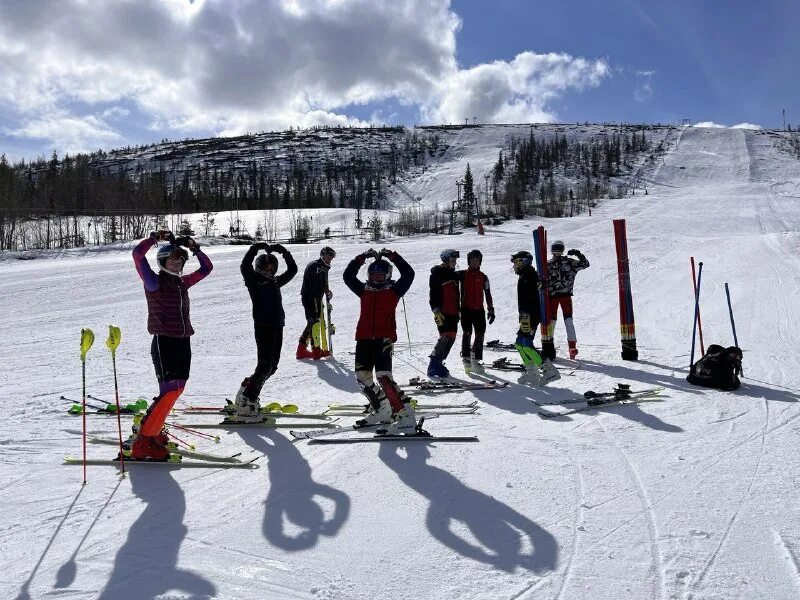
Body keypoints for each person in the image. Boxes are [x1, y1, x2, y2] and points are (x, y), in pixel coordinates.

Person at [127, 230, 213, 460]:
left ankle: (152, 432)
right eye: (172, 259)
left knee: (177, 390)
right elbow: (137, 255)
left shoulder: (182, 283)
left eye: (180, 260)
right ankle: (144, 442)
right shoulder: (154, 282)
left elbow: (207, 268)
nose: (176, 263)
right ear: (162, 260)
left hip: (183, 341)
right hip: (164, 341)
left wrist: (195, 249)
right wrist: (155, 238)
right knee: (169, 392)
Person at [342, 247, 417, 434]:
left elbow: (409, 273)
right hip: (363, 338)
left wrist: (393, 256)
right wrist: (362, 257)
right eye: (373, 276)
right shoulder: (363, 290)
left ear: (388, 276)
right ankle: (383, 410)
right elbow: (347, 276)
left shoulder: (394, 290)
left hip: (384, 338)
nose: (376, 279)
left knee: (383, 377)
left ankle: (406, 415)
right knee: (362, 379)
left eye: (381, 276)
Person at [234, 242, 298, 418]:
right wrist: (254, 249)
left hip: (278, 325)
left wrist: (284, 252)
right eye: (265, 267)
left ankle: (249, 390)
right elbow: (244, 266)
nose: (269, 271)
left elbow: (293, 270)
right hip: (263, 326)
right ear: (258, 267)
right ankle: (247, 400)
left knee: (273, 367)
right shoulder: (253, 281)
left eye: (272, 268)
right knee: (264, 365)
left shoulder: (275, 282)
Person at [511, 250, 560, 386]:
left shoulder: (531, 276)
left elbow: (537, 292)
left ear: (524, 262)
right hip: (526, 315)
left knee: (526, 345)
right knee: (519, 343)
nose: (515, 265)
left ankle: (550, 371)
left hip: (532, 315)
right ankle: (532, 371)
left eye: (516, 262)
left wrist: (541, 284)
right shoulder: (524, 276)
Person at [547, 240, 590, 359]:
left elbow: (585, 264)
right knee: (558, 321)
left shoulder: (566, 262)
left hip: (560, 296)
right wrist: (578, 254)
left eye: (558, 249)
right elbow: (585, 264)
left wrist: (578, 254)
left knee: (563, 321)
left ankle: (571, 347)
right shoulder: (551, 264)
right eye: (556, 249)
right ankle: (552, 344)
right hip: (556, 297)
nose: (557, 251)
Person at [457, 249, 495, 374]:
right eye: (473, 260)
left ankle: (476, 359)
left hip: (479, 310)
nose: (475, 262)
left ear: (480, 262)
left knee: (480, 334)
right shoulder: (462, 274)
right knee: (467, 333)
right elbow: (448, 275)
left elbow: (488, 294)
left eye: (477, 260)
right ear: (469, 261)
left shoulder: (483, 277)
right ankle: (466, 359)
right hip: (466, 310)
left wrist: (491, 309)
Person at [297, 246, 335, 360]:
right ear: (323, 255)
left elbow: (322, 281)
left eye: (332, 256)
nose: (331, 258)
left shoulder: (321, 266)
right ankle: (316, 350)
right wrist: (327, 291)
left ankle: (301, 350)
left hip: (312, 297)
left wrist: (327, 292)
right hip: (311, 297)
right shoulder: (317, 266)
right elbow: (320, 281)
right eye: (329, 256)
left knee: (312, 323)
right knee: (315, 324)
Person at [427, 249, 461, 377]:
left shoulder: (454, 275)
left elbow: (457, 295)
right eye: (452, 260)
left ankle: (439, 363)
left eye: (455, 260)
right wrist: (436, 310)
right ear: (445, 261)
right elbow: (433, 294)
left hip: (454, 312)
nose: (454, 262)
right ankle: (433, 365)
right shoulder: (437, 274)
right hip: (443, 312)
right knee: (444, 337)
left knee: (451, 337)